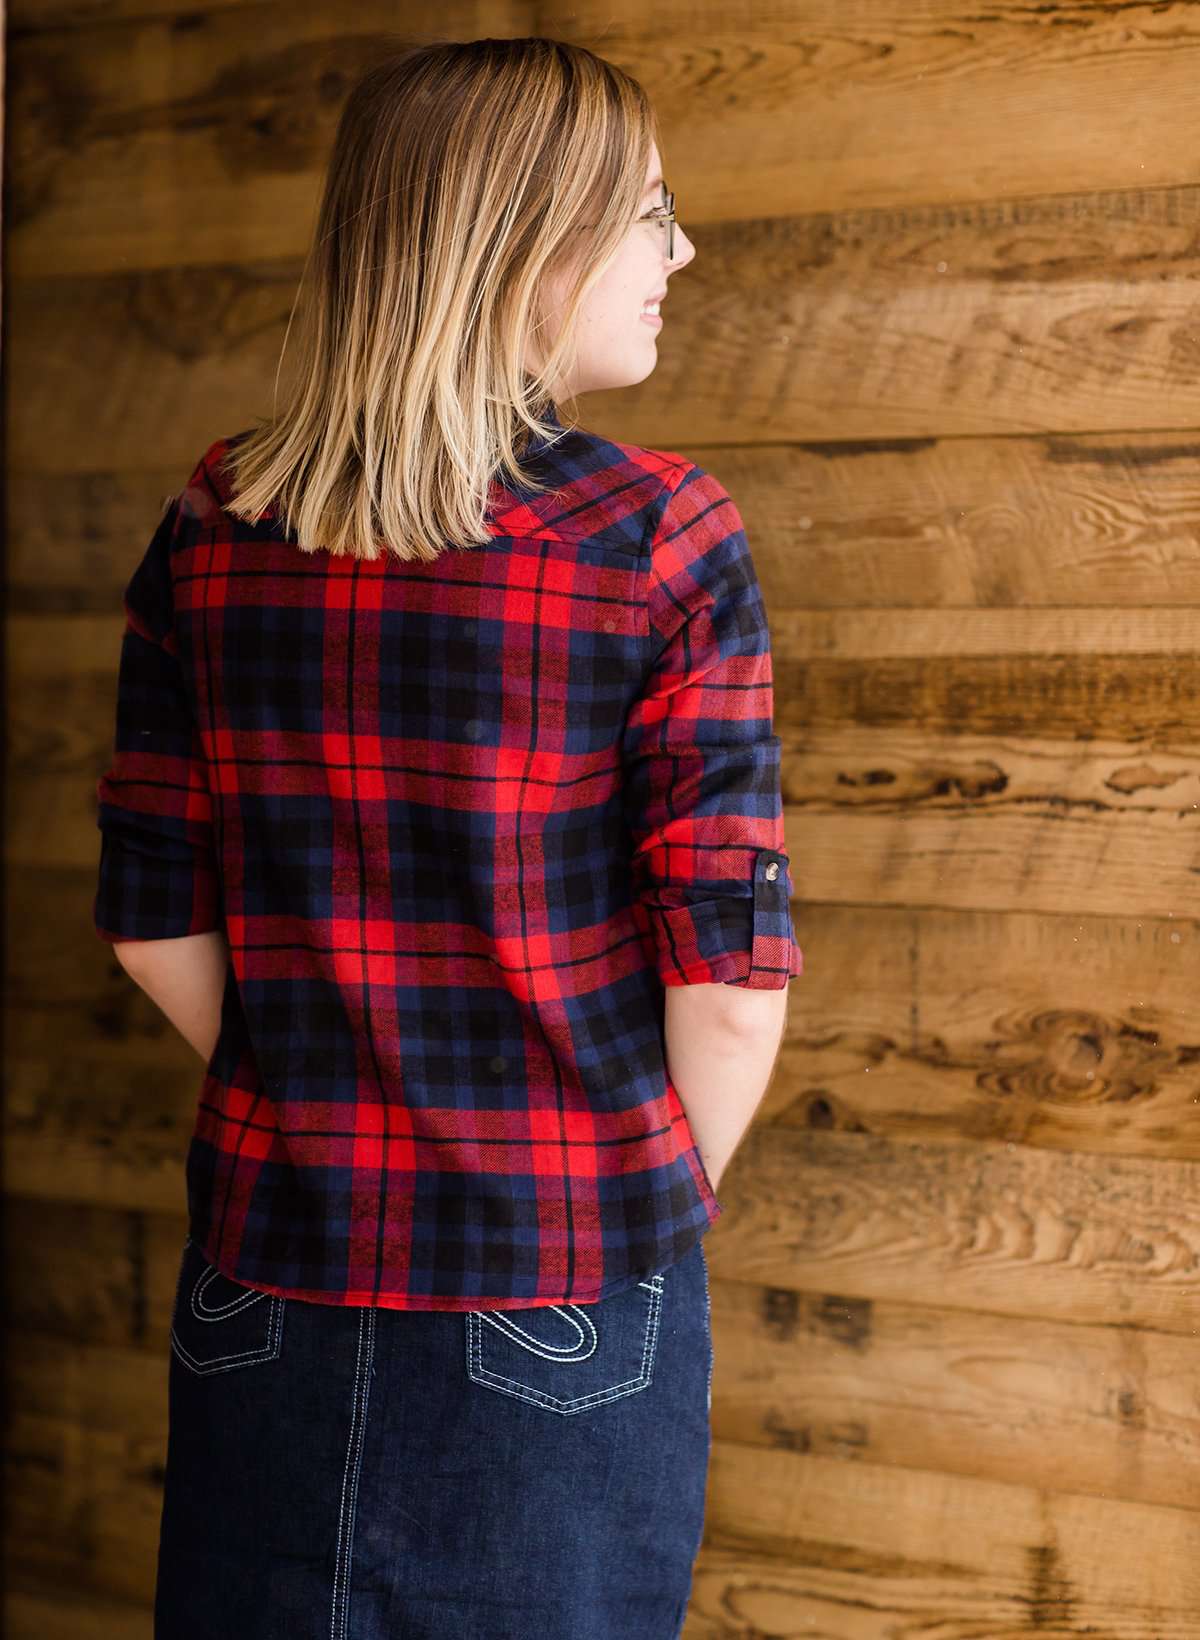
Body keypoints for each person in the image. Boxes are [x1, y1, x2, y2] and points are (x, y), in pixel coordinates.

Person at [92, 36, 803, 1640]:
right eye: (649, 212)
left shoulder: (215, 520)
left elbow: (150, 920)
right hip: (559, 1270)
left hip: (267, 1265)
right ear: (521, 240)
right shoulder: (657, 532)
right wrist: (640, 1198)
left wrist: (329, 1078)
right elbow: (733, 974)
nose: (680, 250)